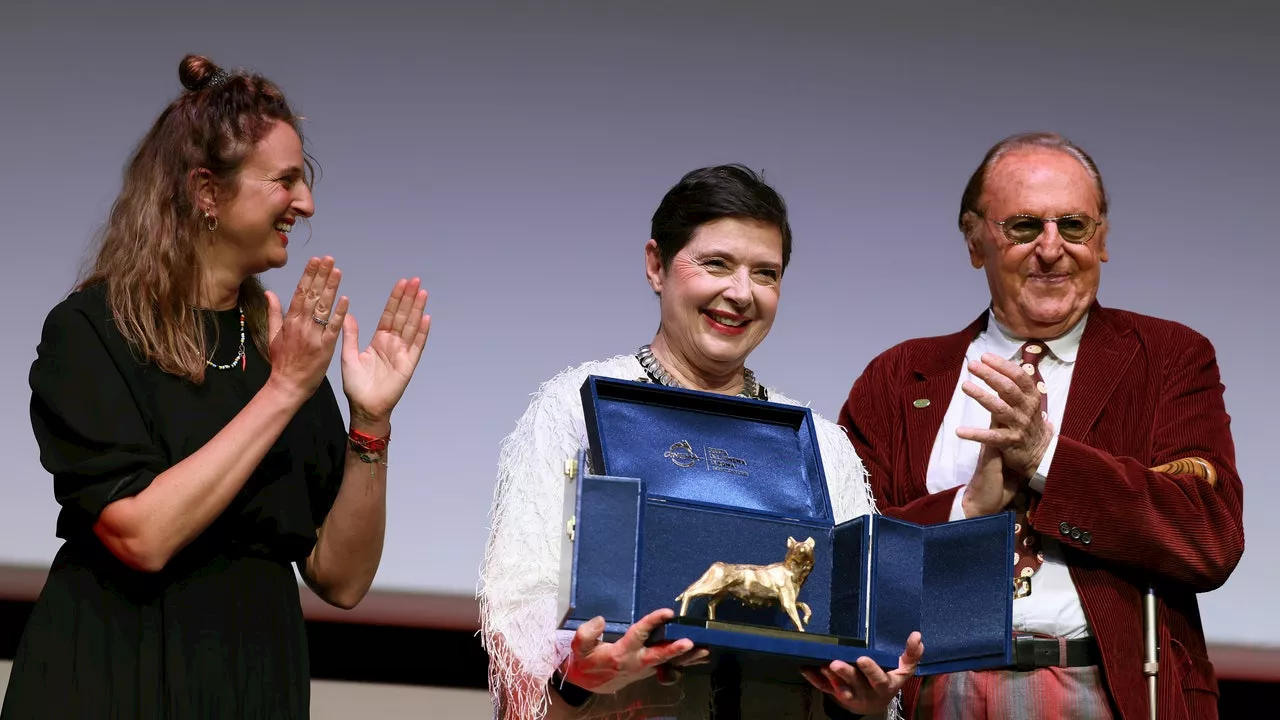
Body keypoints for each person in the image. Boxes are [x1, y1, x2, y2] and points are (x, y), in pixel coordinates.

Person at [1, 55, 431, 719]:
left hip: (250, 678)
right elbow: (141, 536)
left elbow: (341, 579)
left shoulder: (272, 343)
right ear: (208, 193)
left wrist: (370, 423)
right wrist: (284, 390)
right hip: (117, 678)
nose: (307, 202)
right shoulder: (92, 332)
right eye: (285, 180)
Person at [478, 164, 923, 720]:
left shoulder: (820, 442)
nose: (740, 294)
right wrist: (575, 678)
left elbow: (851, 634)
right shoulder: (573, 408)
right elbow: (521, 611)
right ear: (655, 265)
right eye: (716, 264)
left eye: (766, 274)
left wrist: (868, 698)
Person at [837, 131, 1244, 719]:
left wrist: (1046, 460)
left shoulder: (1168, 358)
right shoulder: (901, 376)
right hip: (936, 691)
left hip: (1106, 690)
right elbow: (851, 559)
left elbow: (1210, 539)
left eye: (1074, 226)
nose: (1052, 249)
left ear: (1101, 240)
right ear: (975, 240)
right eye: (1025, 226)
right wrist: (968, 510)